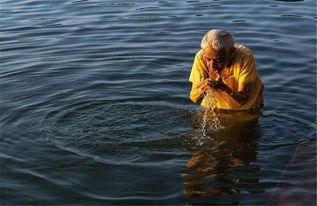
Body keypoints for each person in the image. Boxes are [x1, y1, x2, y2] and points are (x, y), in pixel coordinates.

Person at [189, 29, 264, 111]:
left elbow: (243, 100)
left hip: (246, 109)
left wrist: (224, 88)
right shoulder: (200, 57)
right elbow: (193, 97)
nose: (212, 66)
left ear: (231, 52)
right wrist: (204, 87)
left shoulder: (244, 56)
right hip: (214, 107)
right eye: (208, 59)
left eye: (218, 60)